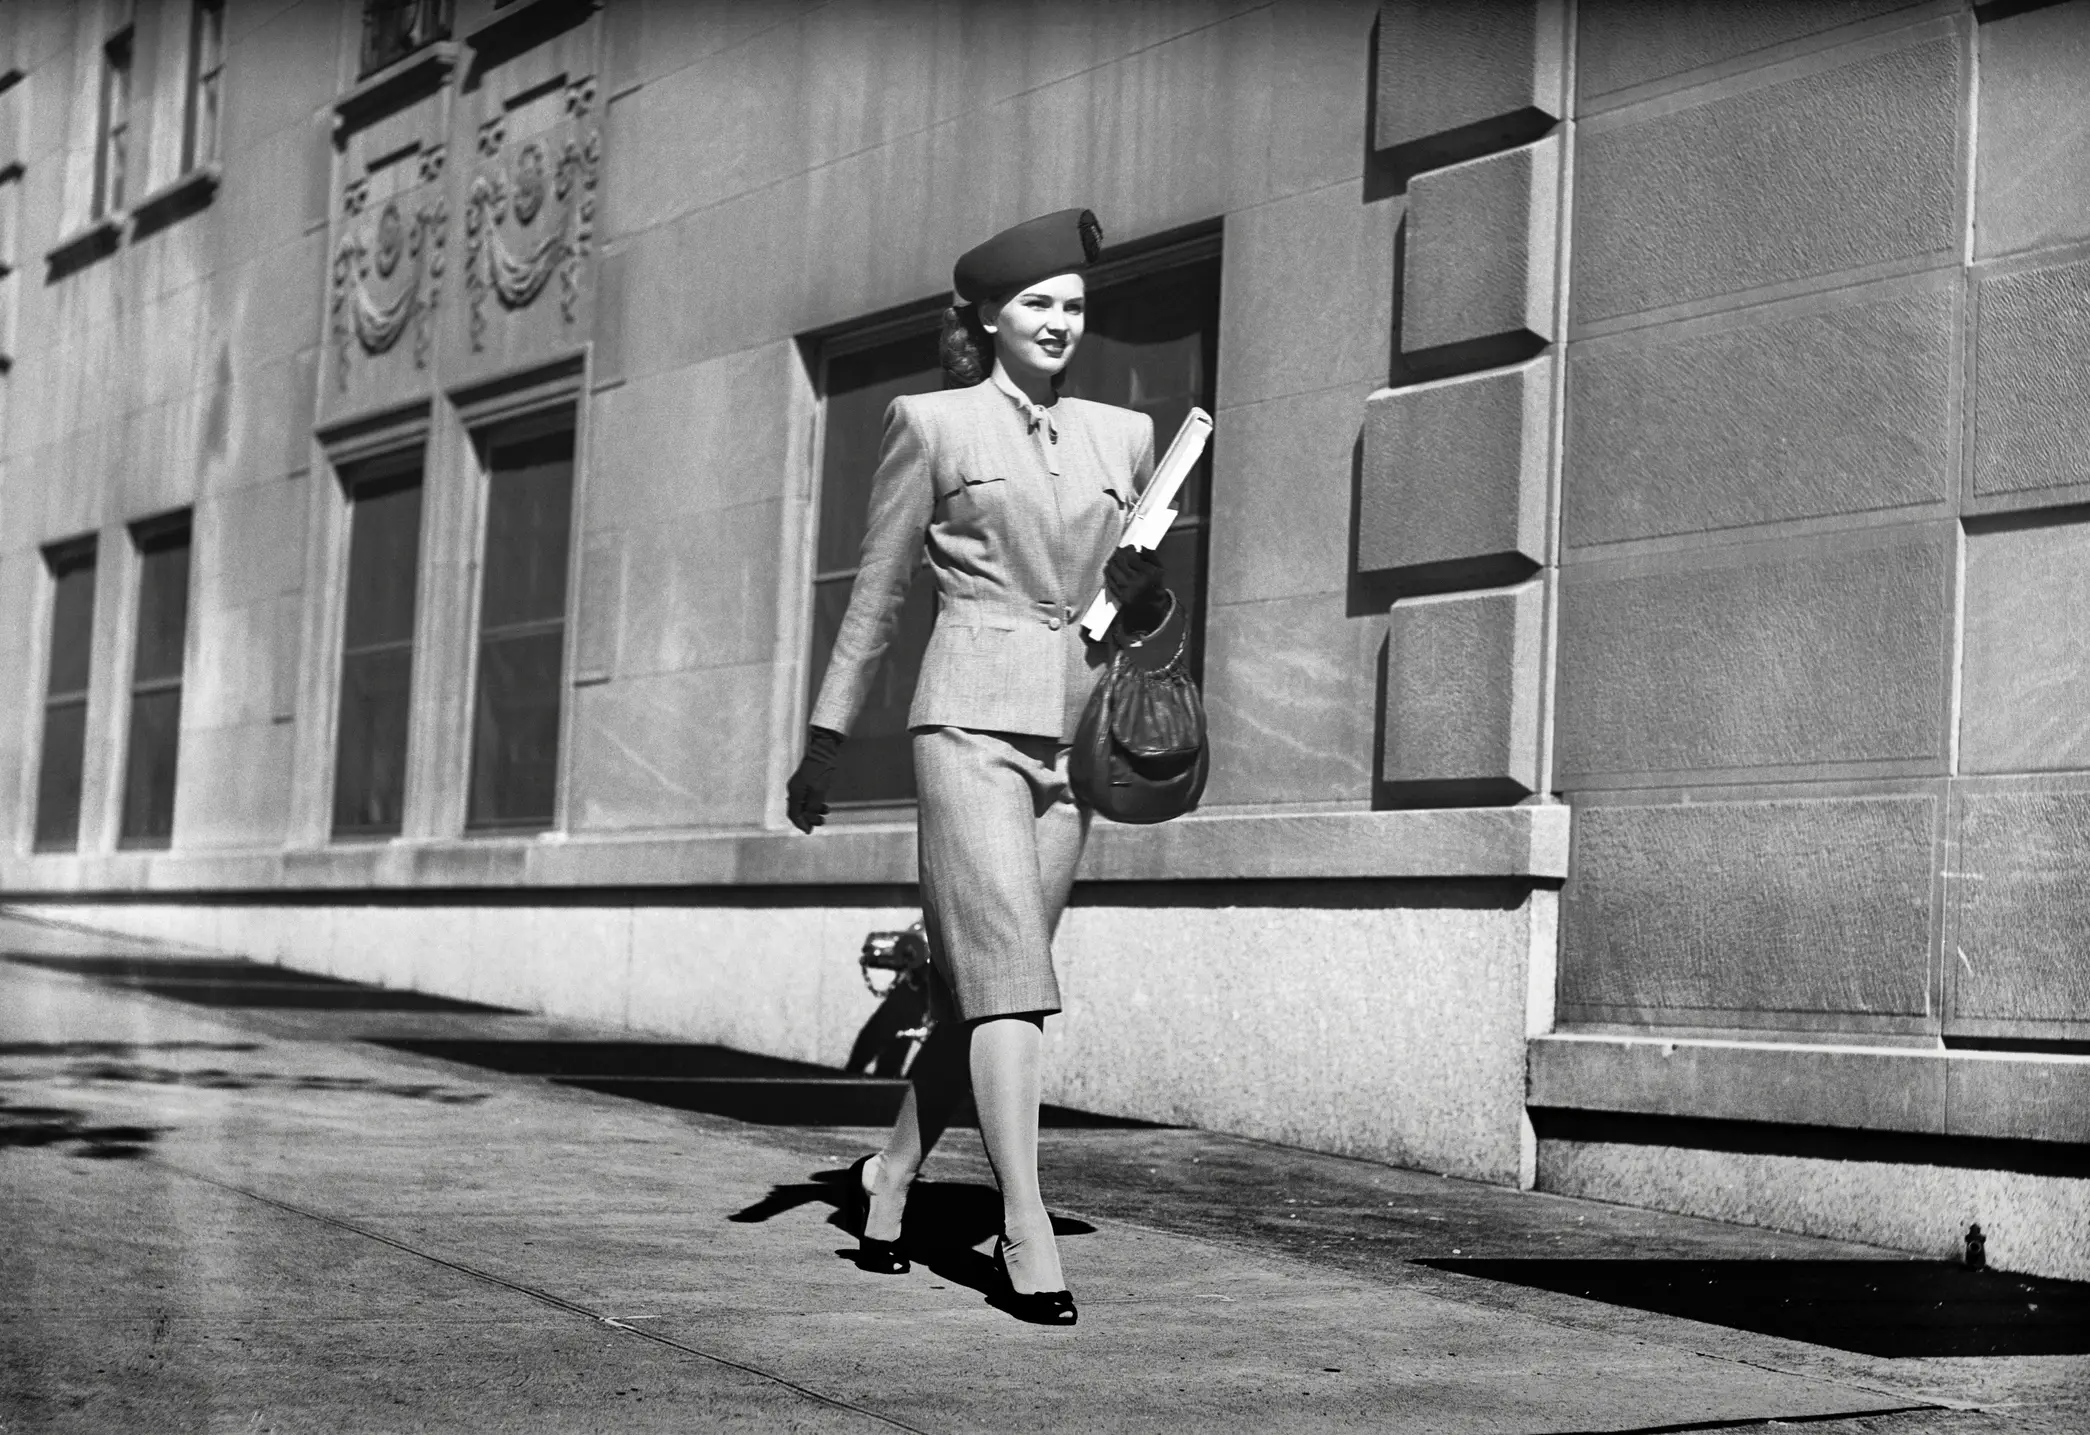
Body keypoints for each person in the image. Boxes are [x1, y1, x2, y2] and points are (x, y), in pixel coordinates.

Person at [786, 208, 1180, 1327]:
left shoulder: (1126, 434)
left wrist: (1143, 588)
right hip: (963, 724)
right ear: (988, 318)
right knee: (1013, 980)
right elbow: (877, 590)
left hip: (1078, 735)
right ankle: (1023, 1222)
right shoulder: (930, 421)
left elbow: (1126, 596)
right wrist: (825, 737)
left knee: (976, 993)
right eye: (1036, 305)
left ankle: (887, 1178)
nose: (1057, 323)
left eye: (1072, 307)